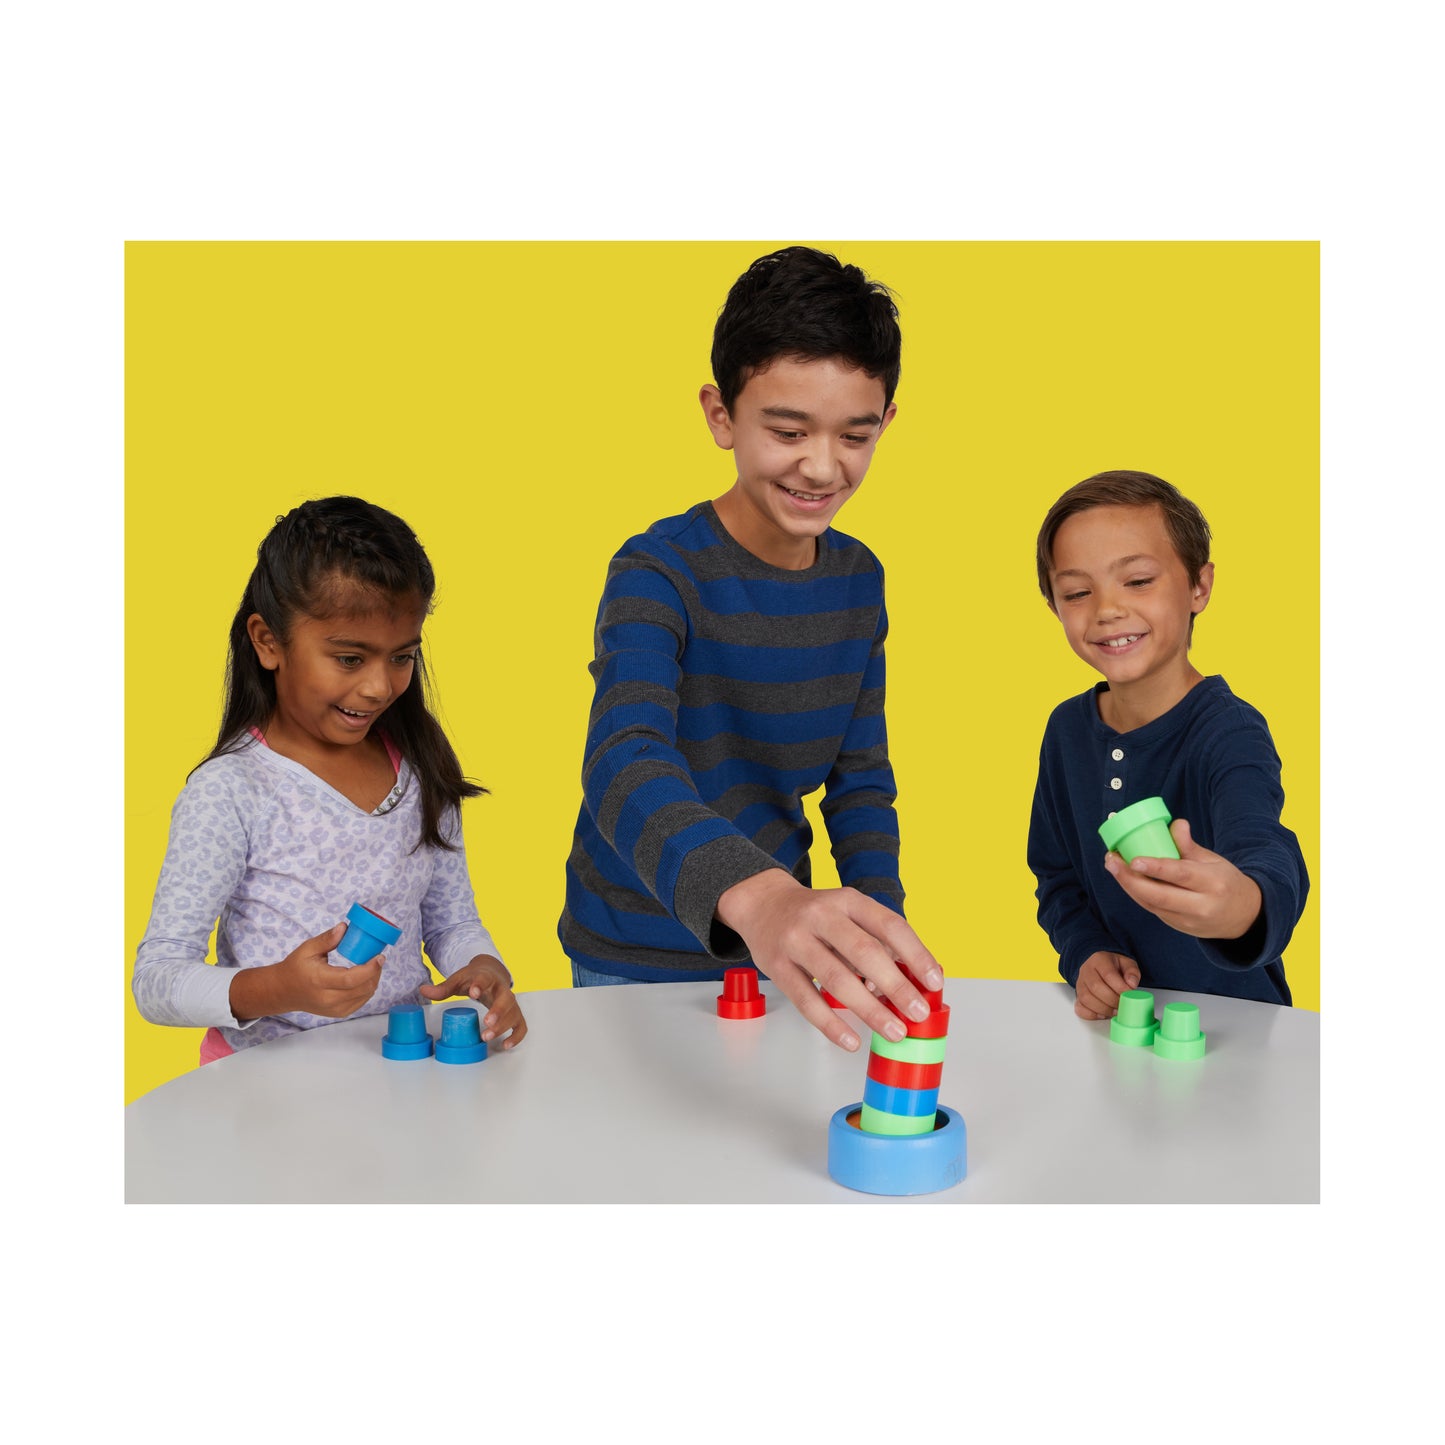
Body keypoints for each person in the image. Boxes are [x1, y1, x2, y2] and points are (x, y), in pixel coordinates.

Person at [558, 245, 941, 1053]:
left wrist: (879, 932)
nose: (822, 466)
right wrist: (760, 897)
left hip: (780, 952)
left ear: (885, 424)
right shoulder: (656, 571)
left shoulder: (859, 580)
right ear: (720, 415)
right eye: (788, 430)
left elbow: (860, 784)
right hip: (632, 955)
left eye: (854, 435)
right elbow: (622, 761)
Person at [132, 496, 527, 1060]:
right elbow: (158, 980)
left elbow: (451, 922)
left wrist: (484, 967)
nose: (379, 687)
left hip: (398, 1073)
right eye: (349, 659)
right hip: (264, 1088)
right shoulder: (231, 792)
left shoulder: (420, 771)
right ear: (269, 642)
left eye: (401, 657)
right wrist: (277, 988)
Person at [1028, 469, 1309, 1018]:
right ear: (1055, 606)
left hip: (1236, 1029)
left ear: (1199, 587)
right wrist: (1087, 952)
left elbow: (1263, 843)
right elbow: (1058, 877)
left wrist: (1243, 906)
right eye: (1078, 592)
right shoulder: (1065, 731)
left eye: (1137, 581)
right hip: (1119, 1026)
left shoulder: (1230, 731)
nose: (1107, 609)